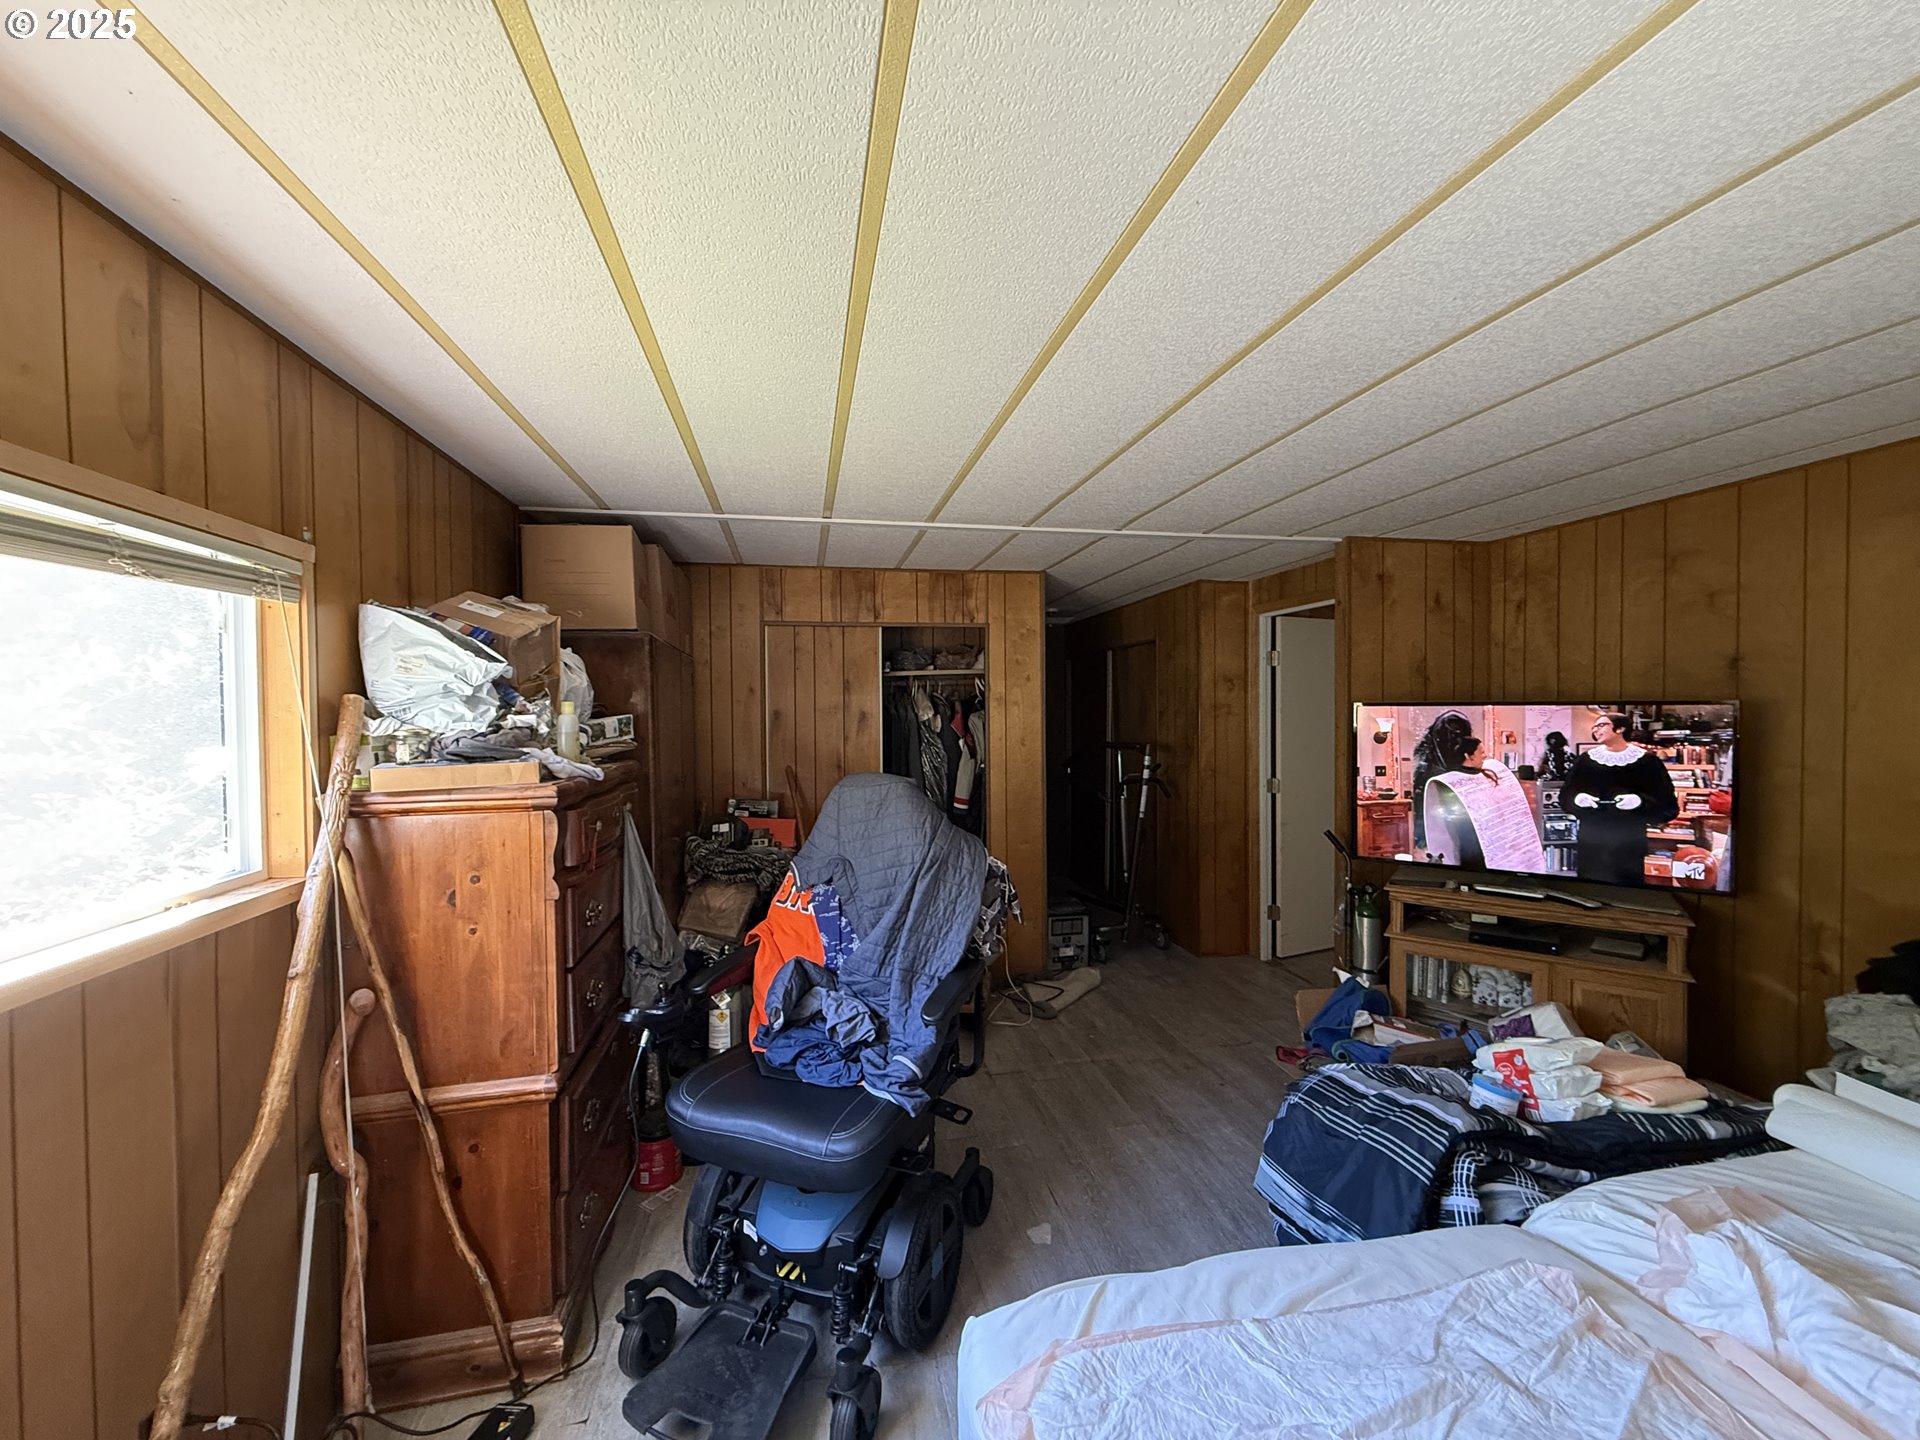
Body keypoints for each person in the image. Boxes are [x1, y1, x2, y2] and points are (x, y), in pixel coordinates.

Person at [1561, 713, 1679, 886]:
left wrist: (1639, 802)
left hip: (1628, 841)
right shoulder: (1585, 761)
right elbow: (1565, 796)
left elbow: (1668, 805)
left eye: (1602, 725)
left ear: (1620, 728)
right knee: (1590, 888)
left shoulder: (1648, 762)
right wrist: (1578, 799)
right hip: (1593, 840)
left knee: (1626, 890)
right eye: (1594, 727)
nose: (1596, 730)